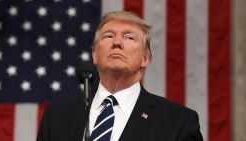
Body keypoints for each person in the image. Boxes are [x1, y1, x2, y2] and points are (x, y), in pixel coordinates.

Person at [36, 11, 203, 141]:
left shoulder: (177, 121)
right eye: (109, 36)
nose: (117, 43)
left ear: (145, 58)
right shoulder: (56, 117)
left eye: (129, 37)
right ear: (95, 55)